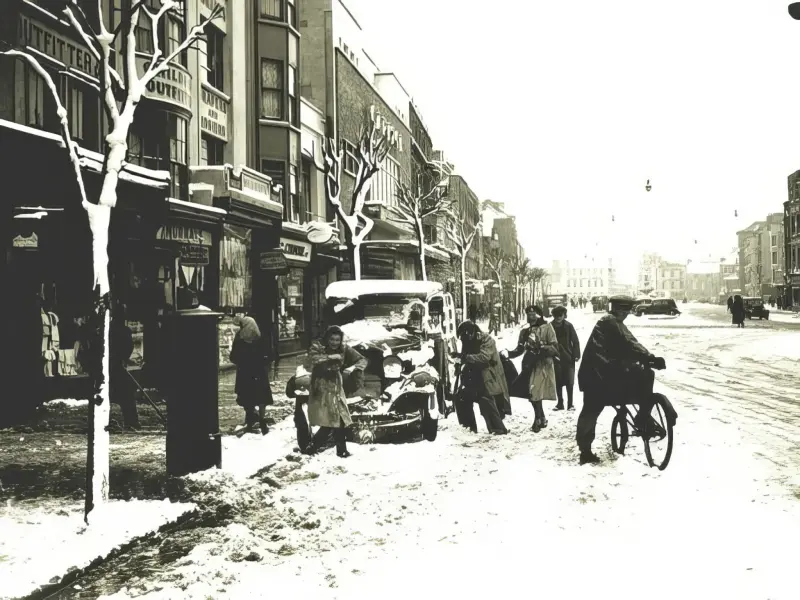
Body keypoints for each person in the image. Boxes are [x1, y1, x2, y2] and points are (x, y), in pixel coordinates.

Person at [576, 295, 667, 465]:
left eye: (627, 311)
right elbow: (629, 343)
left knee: (591, 412)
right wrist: (649, 358)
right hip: (596, 376)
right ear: (617, 309)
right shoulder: (610, 322)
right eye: (624, 311)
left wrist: (644, 359)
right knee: (590, 412)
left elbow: (625, 345)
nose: (626, 314)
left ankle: (642, 416)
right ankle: (585, 451)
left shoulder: (611, 322)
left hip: (604, 373)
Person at [303, 325, 366, 458]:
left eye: (337, 340)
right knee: (332, 420)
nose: (334, 343)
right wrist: (330, 358)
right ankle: (331, 449)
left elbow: (362, 359)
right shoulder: (318, 348)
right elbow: (309, 363)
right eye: (332, 339)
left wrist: (354, 368)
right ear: (327, 339)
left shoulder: (344, 349)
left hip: (336, 387)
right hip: (321, 388)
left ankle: (318, 447)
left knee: (337, 419)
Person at [507, 306, 558, 432]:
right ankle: (541, 417)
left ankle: (538, 420)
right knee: (532, 393)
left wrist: (542, 347)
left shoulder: (547, 328)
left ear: (539, 315)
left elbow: (554, 347)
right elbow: (519, 349)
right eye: (528, 314)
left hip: (543, 364)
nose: (531, 316)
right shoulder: (524, 332)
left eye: (533, 314)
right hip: (529, 364)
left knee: (535, 392)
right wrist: (508, 354)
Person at [452, 321, 508, 435]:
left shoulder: (486, 339)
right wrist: (459, 362)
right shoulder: (467, 339)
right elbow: (465, 356)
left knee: (485, 400)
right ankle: (468, 427)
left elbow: (484, 357)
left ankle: (498, 428)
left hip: (487, 376)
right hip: (472, 376)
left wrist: (464, 357)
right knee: (462, 398)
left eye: (466, 335)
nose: (464, 338)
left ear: (472, 332)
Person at [230, 315, 273, 435]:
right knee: (261, 397)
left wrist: (242, 361)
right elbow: (269, 355)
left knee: (247, 396)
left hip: (244, 372)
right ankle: (262, 420)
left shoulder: (239, 337)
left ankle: (250, 421)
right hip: (259, 372)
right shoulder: (260, 337)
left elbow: (233, 357)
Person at [550, 305, 581, 411]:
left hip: (568, 357)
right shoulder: (550, 326)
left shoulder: (568, 326)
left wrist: (576, 354)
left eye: (561, 315)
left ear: (564, 315)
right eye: (556, 315)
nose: (558, 317)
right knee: (558, 381)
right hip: (555, 357)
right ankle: (560, 403)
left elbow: (575, 340)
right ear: (553, 316)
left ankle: (570, 404)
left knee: (569, 382)